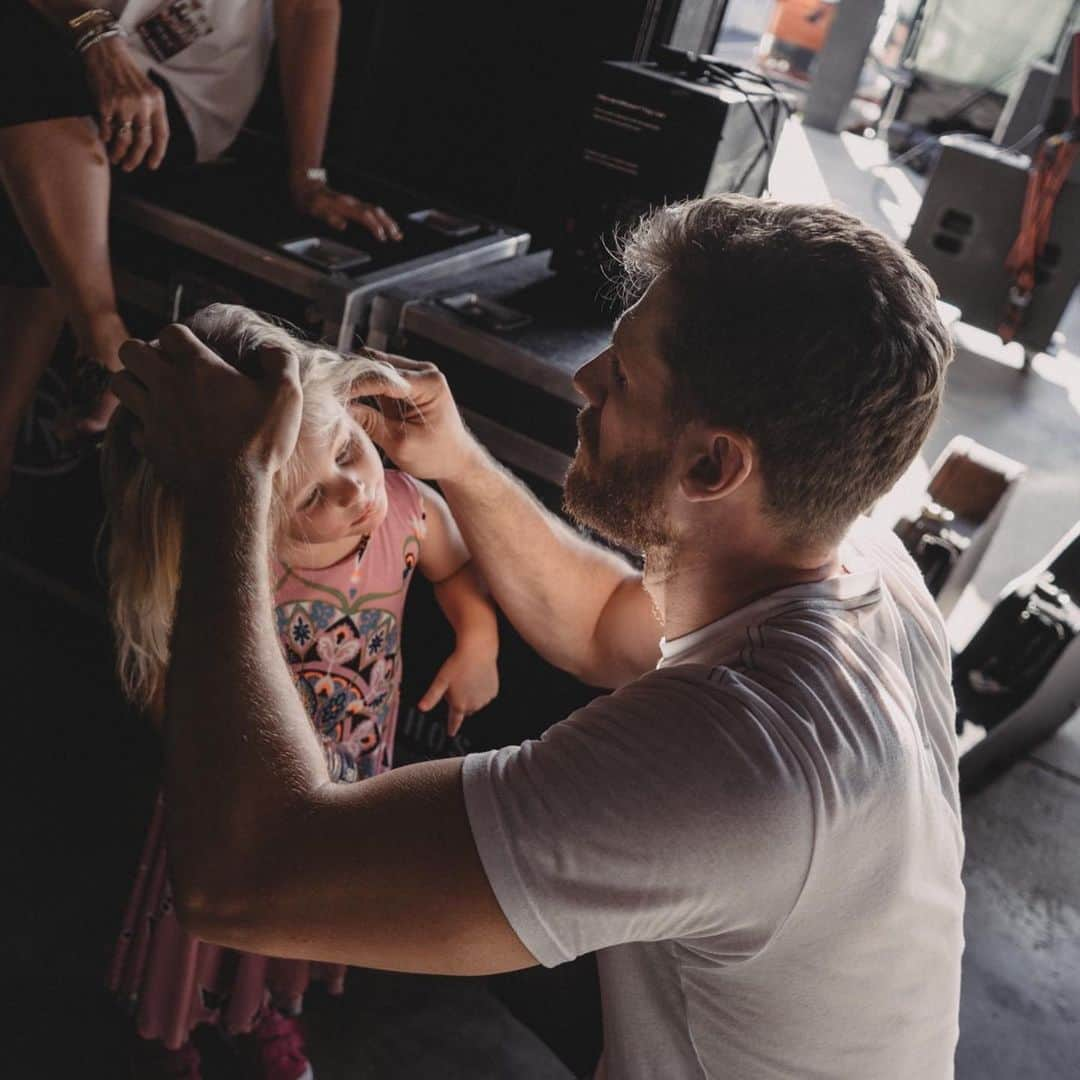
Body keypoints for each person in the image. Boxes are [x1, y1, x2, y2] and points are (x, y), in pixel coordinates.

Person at [113, 195, 965, 1079]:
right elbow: (604, 626)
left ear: (713, 466)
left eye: (625, 375)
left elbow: (240, 878)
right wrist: (459, 463)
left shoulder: (734, 763)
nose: (585, 377)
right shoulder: (855, 553)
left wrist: (230, 483)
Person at [103, 305, 498, 1079]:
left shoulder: (410, 510)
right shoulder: (226, 558)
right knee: (211, 917)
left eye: (350, 451)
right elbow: (164, 677)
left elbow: (456, 570)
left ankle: (269, 1016)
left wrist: (477, 639)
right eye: (312, 496)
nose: (356, 491)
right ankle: (177, 1028)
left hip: (345, 781)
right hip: (235, 790)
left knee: (305, 912)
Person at [0, 1, 402, 492]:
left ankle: (96, 344)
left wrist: (309, 175)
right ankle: (94, 354)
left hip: (177, 90)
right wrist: (96, 36)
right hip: (66, 38)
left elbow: (309, 10)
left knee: (23, 78)